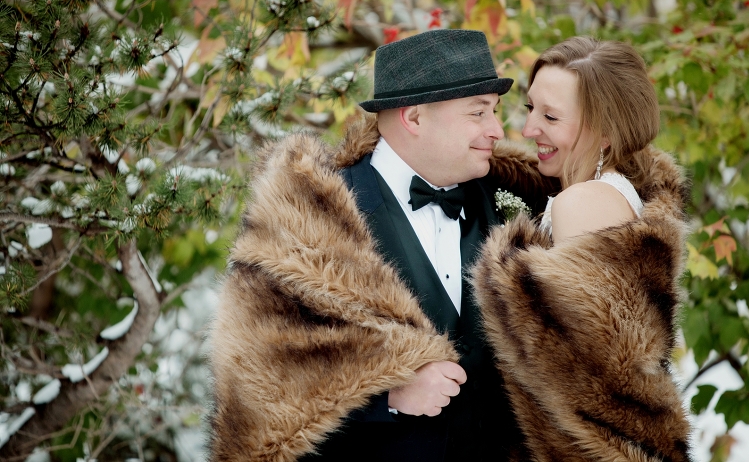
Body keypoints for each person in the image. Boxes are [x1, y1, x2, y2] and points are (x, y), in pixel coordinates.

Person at [207, 29, 557, 462]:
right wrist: (387, 396)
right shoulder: (307, 221)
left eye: (495, 112)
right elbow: (255, 385)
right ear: (413, 118)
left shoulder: (518, 203)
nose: (497, 129)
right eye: (478, 112)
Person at [471, 36, 694, 462]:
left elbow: (591, 382)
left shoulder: (583, 203)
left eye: (551, 116)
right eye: (529, 108)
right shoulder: (603, 194)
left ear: (606, 131)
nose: (528, 129)